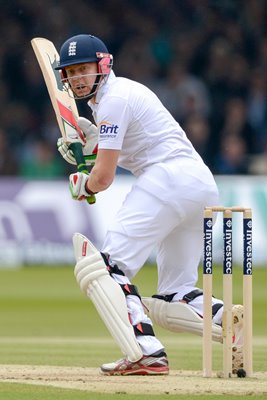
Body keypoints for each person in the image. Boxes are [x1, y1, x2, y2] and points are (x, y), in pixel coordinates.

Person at [56, 34, 243, 376]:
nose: (78, 78)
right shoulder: (116, 98)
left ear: (103, 65)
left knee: (107, 269)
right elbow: (134, 147)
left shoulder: (114, 99)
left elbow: (104, 178)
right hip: (199, 185)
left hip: (166, 181)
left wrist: (83, 182)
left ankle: (146, 351)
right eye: (71, 72)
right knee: (175, 293)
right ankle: (227, 319)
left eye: (84, 69)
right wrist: (93, 144)